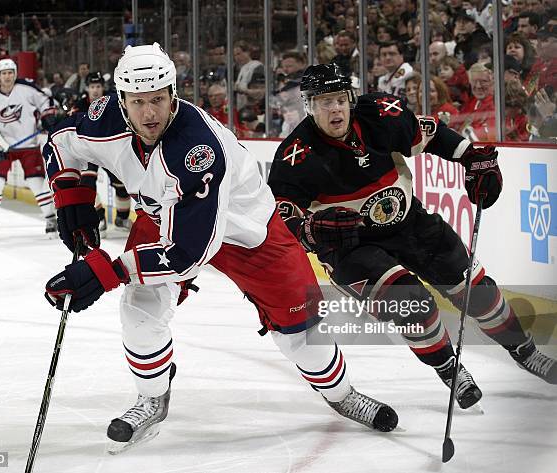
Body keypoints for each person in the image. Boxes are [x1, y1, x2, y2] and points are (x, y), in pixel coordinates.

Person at [42, 44, 399, 453]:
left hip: (246, 231)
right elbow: (60, 142)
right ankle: (152, 398)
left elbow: (187, 253)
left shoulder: (198, 149)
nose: (150, 113)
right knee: (141, 308)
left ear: (173, 93)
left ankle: (342, 394)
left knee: (303, 330)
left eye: (158, 99)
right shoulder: (104, 119)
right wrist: (72, 196)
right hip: (163, 217)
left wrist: (105, 271)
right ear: (121, 100)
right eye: (138, 102)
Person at [268, 64, 557, 413]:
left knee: (476, 289)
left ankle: (526, 352)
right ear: (309, 106)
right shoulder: (294, 155)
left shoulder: (381, 115)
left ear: (351, 98)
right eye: (325, 102)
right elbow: (281, 217)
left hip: (409, 222)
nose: (336, 109)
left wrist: (472, 157)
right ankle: (450, 370)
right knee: (414, 305)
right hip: (350, 248)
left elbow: (433, 135)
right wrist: (310, 230)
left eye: (341, 99)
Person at [0, 58, 58, 238]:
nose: (7, 77)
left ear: (15, 74)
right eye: (4, 73)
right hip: (2, 147)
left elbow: (45, 101)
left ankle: (50, 217)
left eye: (10, 73)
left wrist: (47, 116)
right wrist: (2, 144)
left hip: (28, 145)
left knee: (36, 183)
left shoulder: (26, 88)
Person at [72, 71, 133, 232]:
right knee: (87, 184)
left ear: (103, 87)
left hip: (110, 150)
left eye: (98, 86)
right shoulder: (79, 104)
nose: (95, 90)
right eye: (92, 86)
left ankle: (122, 219)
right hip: (88, 152)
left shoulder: (112, 101)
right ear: (87, 88)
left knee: (122, 186)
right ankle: (99, 218)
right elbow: (71, 126)